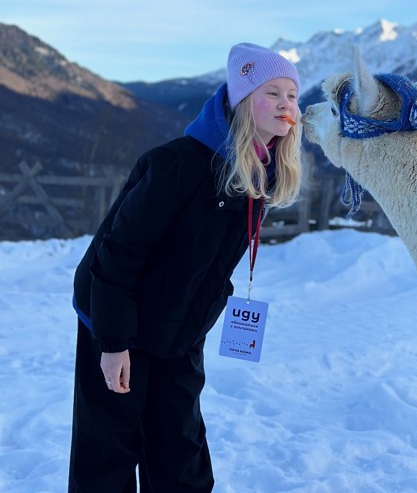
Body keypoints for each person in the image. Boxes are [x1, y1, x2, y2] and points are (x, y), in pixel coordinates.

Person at [68, 43, 302, 492]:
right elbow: (118, 255)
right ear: (241, 101)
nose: (285, 105)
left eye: (291, 96)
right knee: (111, 446)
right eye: (271, 93)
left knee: (180, 445)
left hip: (178, 326)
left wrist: (197, 322)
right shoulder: (180, 164)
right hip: (118, 314)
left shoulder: (259, 172)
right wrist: (113, 343)